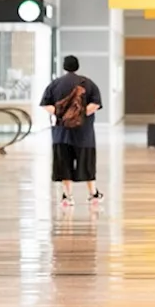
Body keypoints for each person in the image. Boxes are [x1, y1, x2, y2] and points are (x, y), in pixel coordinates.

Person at [40, 55, 103, 205]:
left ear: (64, 66)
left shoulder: (55, 84)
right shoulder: (88, 83)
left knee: (64, 163)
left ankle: (67, 196)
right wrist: (79, 115)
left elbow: (46, 105)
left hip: (61, 133)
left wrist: (62, 115)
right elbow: (95, 104)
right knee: (87, 162)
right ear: (77, 66)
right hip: (84, 133)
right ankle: (93, 194)